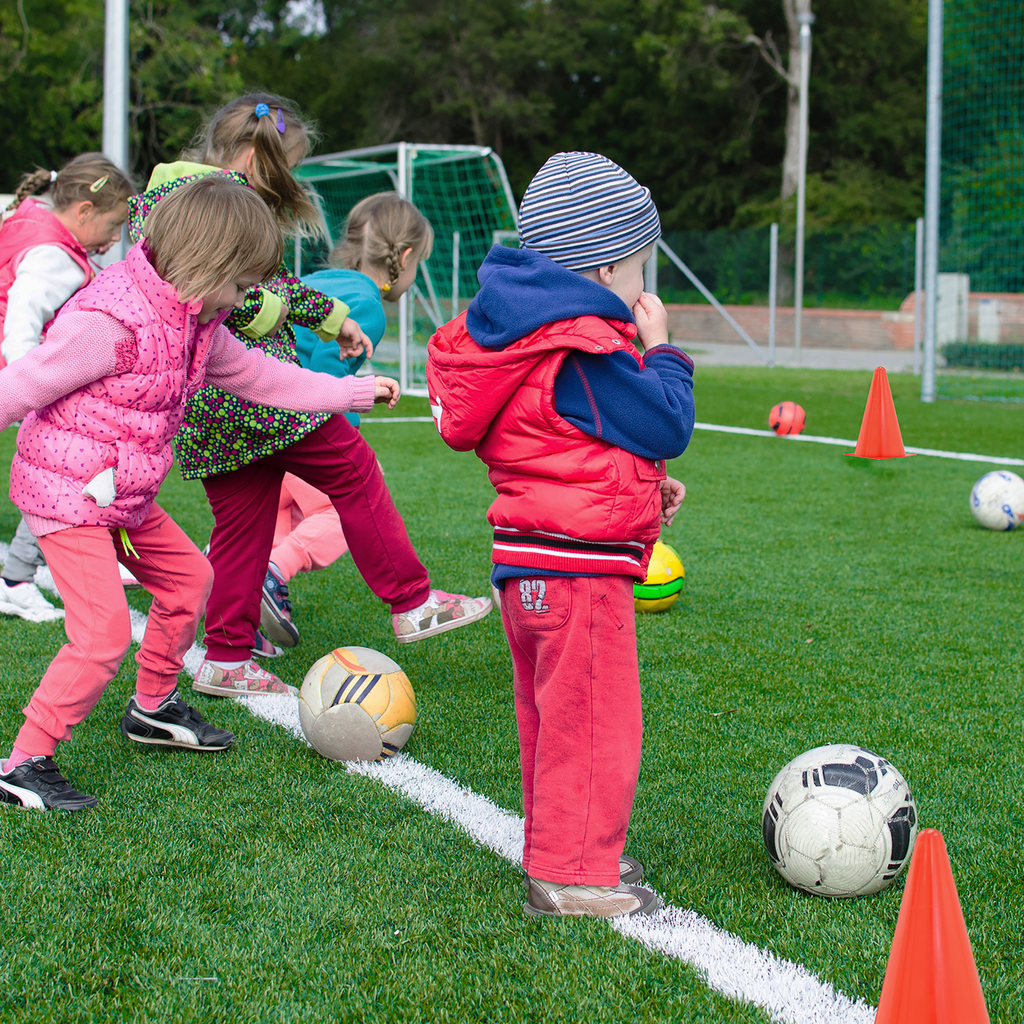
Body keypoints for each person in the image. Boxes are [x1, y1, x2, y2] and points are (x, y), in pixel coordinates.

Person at [0, 175, 401, 812]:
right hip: (68, 494)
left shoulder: (195, 321)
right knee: (102, 636)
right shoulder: (111, 322)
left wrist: (350, 392)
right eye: (242, 286)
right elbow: (20, 388)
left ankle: (153, 708)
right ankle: (24, 761)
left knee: (192, 580)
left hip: (122, 495)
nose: (247, 300)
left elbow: (260, 377)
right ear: (208, 265)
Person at [129, 94, 492, 691]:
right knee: (354, 471)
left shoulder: (172, 194)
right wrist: (286, 316)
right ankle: (411, 601)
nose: (287, 182)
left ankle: (224, 659)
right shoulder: (214, 202)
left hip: (207, 409)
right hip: (255, 397)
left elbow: (271, 283)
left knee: (242, 531)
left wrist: (331, 318)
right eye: (285, 167)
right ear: (252, 155)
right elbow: (230, 294)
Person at [426, 152, 695, 919]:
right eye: (642, 266)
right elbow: (666, 419)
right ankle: (573, 874)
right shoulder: (582, 346)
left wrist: (644, 492)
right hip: (577, 575)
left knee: (554, 721)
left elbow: (566, 446)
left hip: (532, 565)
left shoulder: (524, 337)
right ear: (607, 266)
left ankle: (564, 847)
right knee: (594, 723)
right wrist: (663, 349)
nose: (646, 286)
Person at [261, 191, 434, 649]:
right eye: (419, 265)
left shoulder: (318, 280)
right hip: (291, 425)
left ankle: (235, 595)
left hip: (253, 423)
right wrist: (346, 440)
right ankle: (275, 572)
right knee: (344, 505)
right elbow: (323, 377)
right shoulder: (367, 306)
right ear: (405, 256)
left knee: (268, 521)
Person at [0, 154, 134, 623]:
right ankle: (17, 578)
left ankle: (24, 572)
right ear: (82, 212)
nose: (116, 238)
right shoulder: (55, 255)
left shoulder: (31, 219)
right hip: (23, 384)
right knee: (65, 474)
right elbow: (21, 318)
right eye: (114, 224)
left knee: (59, 474)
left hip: (23, 382)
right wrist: (29, 384)